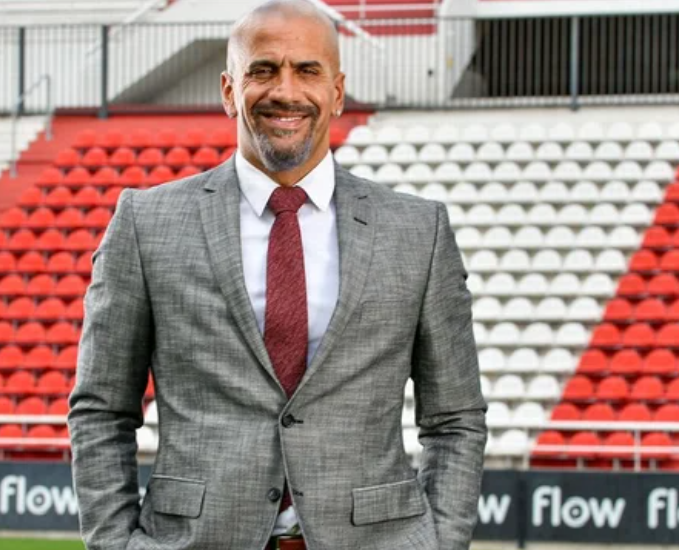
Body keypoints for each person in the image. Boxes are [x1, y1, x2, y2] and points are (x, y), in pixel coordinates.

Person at [68, 1, 487, 549]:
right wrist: (114, 543)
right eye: (263, 70)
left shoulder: (417, 230)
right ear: (228, 91)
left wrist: (441, 542)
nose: (285, 91)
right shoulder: (146, 223)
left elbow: (455, 416)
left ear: (337, 92)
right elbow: (101, 408)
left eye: (307, 71)